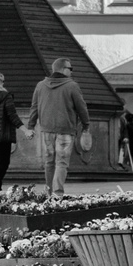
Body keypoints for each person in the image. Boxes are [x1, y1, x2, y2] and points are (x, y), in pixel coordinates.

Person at [23, 57, 90, 196]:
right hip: (65, 129)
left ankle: (48, 191)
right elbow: (81, 108)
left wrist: (31, 126)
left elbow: (34, 107)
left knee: (49, 161)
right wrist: (86, 125)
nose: (71, 72)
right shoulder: (72, 86)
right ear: (62, 69)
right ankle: (58, 193)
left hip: (47, 129)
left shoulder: (40, 85)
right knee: (62, 162)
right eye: (70, 69)